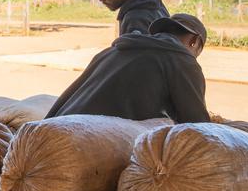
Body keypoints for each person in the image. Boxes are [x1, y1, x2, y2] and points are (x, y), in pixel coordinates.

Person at [46, 14, 210, 123]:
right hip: (87, 145)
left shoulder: (112, 51)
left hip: (52, 129)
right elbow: (198, 126)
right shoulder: (183, 61)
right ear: (194, 42)